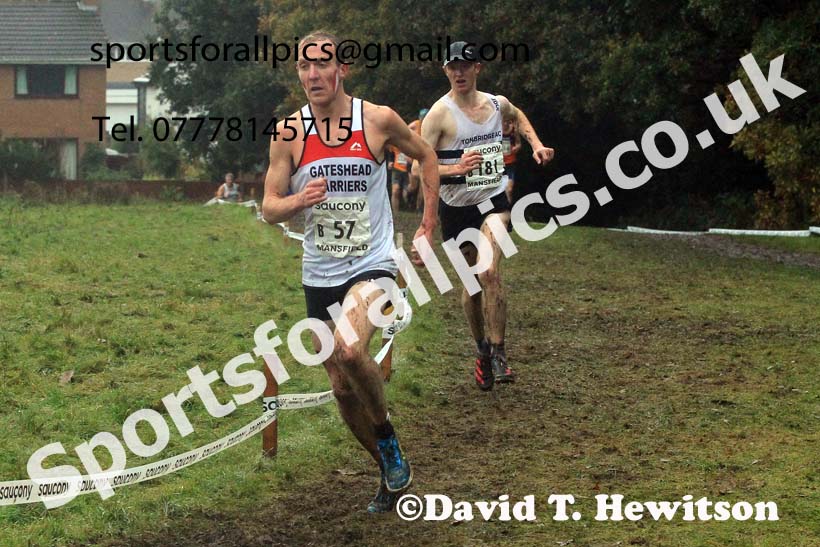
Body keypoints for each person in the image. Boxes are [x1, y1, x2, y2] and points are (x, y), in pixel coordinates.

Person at [261, 30, 440, 513]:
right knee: (341, 388)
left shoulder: (377, 120)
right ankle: (388, 467)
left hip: (373, 263)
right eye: (304, 66)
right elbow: (268, 207)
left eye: (323, 65)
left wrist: (427, 225)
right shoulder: (288, 134)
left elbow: (426, 156)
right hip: (319, 273)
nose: (313, 74)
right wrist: (299, 199)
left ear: (342, 69)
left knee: (350, 347)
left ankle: (386, 435)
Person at [421, 41, 554, 391]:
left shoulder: (497, 104)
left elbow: (518, 116)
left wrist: (536, 144)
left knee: (490, 270)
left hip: (493, 201)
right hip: (456, 209)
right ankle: (481, 350)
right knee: (472, 288)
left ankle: (499, 352)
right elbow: (424, 168)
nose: (459, 72)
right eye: (452, 67)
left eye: (465, 66)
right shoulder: (438, 115)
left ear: (477, 68)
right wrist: (455, 169)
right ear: (445, 70)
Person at [407, 108, 429, 210]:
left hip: (422, 158)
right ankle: (409, 198)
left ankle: (418, 208)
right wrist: (406, 152)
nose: (423, 119)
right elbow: (401, 135)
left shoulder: (430, 125)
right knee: (413, 186)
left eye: (425, 117)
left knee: (423, 187)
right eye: (422, 117)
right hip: (412, 158)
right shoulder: (414, 125)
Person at [502, 116, 521, 203]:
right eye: (503, 121)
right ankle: (484, 212)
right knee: (494, 192)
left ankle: (508, 210)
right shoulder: (495, 130)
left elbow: (518, 144)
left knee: (509, 190)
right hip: (497, 163)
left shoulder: (514, 130)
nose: (505, 123)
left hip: (510, 162)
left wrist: (515, 148)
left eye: (507, 121)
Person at [388, 141, 410, 214]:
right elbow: (391, 152)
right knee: (395, 191)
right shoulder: (395, 141)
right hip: (396, 169)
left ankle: (409, 208)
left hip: (408, 170)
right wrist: (390, 161)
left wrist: (411, 161)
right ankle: (395, 212)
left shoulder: (410, 143)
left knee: (406, 193)